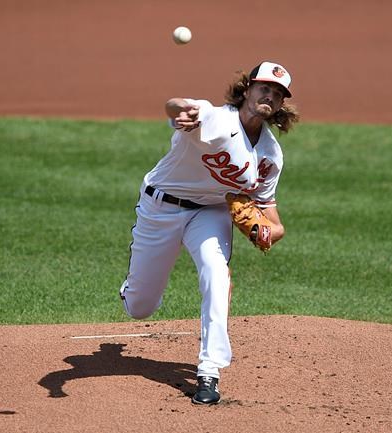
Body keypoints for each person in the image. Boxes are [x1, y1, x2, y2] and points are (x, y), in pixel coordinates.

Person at [118, 61, 299, 405]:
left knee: (217, 275)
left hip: (211, 212)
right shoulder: (214, 118)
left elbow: (271, 215)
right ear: (247, 89)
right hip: (162, 207)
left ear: (280, 104)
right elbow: (176, 106)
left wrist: (272, 232)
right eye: (264, 88)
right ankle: (131, 289)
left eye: (277, 93)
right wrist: (180, 114)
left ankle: (209, 371)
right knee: (140, 307)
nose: (269, 95)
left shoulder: (270, 155)